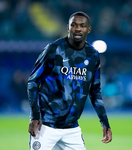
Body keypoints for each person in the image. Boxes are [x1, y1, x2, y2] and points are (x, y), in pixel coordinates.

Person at [27, 11, 112, 150]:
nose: (78, 29)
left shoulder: (93, 55)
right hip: (45, 126)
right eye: (74, 25)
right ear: (68, 27)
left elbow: (95, 91)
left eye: (82, 26)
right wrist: (34, 116)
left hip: (72, 129)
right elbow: (33, 81)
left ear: (88, 29)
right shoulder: (53, 49)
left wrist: (105, 123)